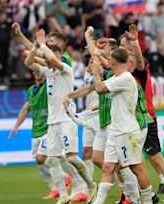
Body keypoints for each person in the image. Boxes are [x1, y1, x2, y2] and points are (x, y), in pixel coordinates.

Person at [24, 29, 97, 204]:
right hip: (53, 122)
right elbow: (29, 61)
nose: (47, 62)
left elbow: (51, 59)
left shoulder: (67, 69)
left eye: (50, 58)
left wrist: (42, 44)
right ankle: (63, 195)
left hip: (66, 119)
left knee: (71, 156)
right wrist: (35, 46)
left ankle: (91, 185)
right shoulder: (48, 72)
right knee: (52, 160)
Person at [119, 25, 164, 201]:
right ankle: (147, 190)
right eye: (122, 45)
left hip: (146, 116)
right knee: (138, 157)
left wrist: (135, 43)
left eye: (126, 45)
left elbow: (138, 61)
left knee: (155, 155)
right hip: (132, 119)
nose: (124, 48)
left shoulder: (138, 65)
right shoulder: (122, 69)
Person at [90, 47, 153, 204]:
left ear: (113, 61)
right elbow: (102, 88)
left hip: (127, 132)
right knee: (107, 168)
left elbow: (99, 88)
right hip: (115, 131)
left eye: (109, 58)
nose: (107, 61)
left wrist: (96, 72)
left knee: (136, 168)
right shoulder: (117, 78)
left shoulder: (125, 78)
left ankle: (147, 200)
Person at [7, 71, 71, 200]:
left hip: (48, 128)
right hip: (36, 130)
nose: (37, 72)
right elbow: (26, 107)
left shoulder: (48, 86)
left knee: (42, 158)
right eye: (35, 71)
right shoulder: (31, 90)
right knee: (39, 161)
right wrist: (16, 125)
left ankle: (65, 177)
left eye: (39, 70)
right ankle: (54, 189)